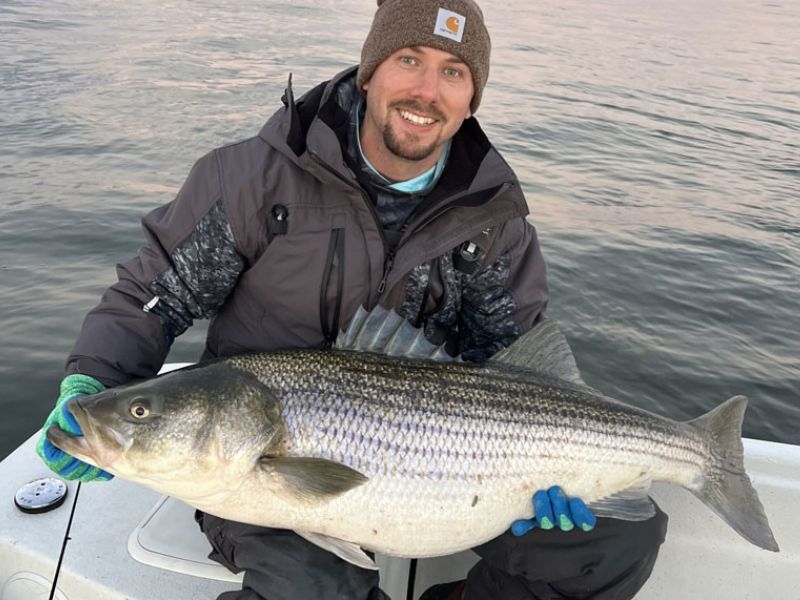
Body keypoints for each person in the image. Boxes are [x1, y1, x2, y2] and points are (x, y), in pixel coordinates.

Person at [36, 0, 668, 598]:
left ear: (472, 98)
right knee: (311, 589)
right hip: (261, 477)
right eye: (409, 59)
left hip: (464, 472)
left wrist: (553, 469)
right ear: (370, 73)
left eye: (454, 72)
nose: (427, 90)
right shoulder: (254, 178)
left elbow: (518, 361)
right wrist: (96, 383)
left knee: (618, 540)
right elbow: (154, 292)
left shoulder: (494, 221)